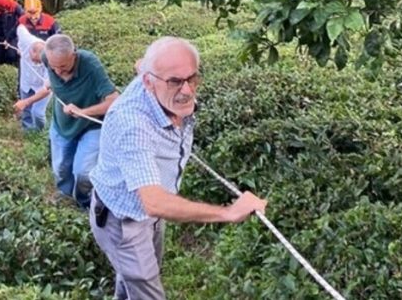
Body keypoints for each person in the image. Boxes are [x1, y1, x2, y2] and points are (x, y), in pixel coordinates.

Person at [88, 37, 268, 300]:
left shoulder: (153, 77)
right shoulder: (133, 125)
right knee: (147, 289)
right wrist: (228, 213)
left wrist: (154, 70)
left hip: (150, 215)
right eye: (174, 81)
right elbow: (154, 202)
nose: (186, 91)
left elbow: (142, 65)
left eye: (192, 79)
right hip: (123, 220)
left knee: (134, 279)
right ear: (149, 83)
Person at [20, 34, 118, 208]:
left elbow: (114, 100)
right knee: (60, 169)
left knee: (84, 173)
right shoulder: (46, 57)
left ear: (74, 55)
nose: (58, 71)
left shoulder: (90, 64)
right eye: (53, 67)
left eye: (63, 66)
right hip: (62, 125)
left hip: (91, 125)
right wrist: (49, 82)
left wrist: (83, 112)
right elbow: (51, 74)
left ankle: (84, 202)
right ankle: (65, 195)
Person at [13, 25, 49, 131]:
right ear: (31, 51)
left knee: (37, 113)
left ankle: (40, 132)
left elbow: (46, 90)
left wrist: (25, 102)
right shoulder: (26, 40)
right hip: (26, 81)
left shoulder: (51, 58)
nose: (37, 63)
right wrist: (18, 47)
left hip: (42, 87)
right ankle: (28, 131)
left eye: (39, 61)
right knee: (27, 112)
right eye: (35, 60)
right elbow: (20, 27)